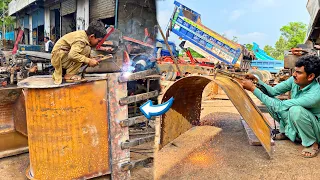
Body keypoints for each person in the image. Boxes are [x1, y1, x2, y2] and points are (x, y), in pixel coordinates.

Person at [241, 55, 320, 158]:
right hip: (299, 121)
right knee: (272, 101)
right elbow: (273, 91)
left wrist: (252, 89)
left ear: (310, 76)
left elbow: (280, 106)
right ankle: (286, 133)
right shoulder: (294, 80)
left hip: (315, 129)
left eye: (299, 73)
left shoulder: (315, 94)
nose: (294, 75)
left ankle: (312, 143)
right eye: (295, 71)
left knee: (295, 110)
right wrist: (257, 81)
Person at [51, 20, 106, 84]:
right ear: (92, 36)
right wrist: (89, 61)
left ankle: (68, 72)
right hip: (58, 58)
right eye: (98, 41)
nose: (98, 43)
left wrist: (92, 58)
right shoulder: (81, 40)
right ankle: (69, 75)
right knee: (86, 49)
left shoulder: (84, 36)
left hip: (62, 56)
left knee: (86, 51)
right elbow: (72, 55)